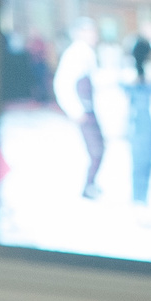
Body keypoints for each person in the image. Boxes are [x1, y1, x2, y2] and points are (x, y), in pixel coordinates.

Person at [53, 20, 104, 200]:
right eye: (91, 32)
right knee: (95, 150)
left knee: (99, 148)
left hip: (90, 110)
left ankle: (91, 184)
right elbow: (62, 83)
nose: (95, 36)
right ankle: (88, 186)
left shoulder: (87, 52)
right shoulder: (75, 54)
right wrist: (75, 110)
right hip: (83, 112)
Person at [122, 38, 151, 206]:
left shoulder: (128, 74)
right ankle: (141, 199)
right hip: (146, 123)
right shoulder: (148, 75)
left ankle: (138, 199)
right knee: (145, 164)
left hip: (136, 123)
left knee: (137, 164)